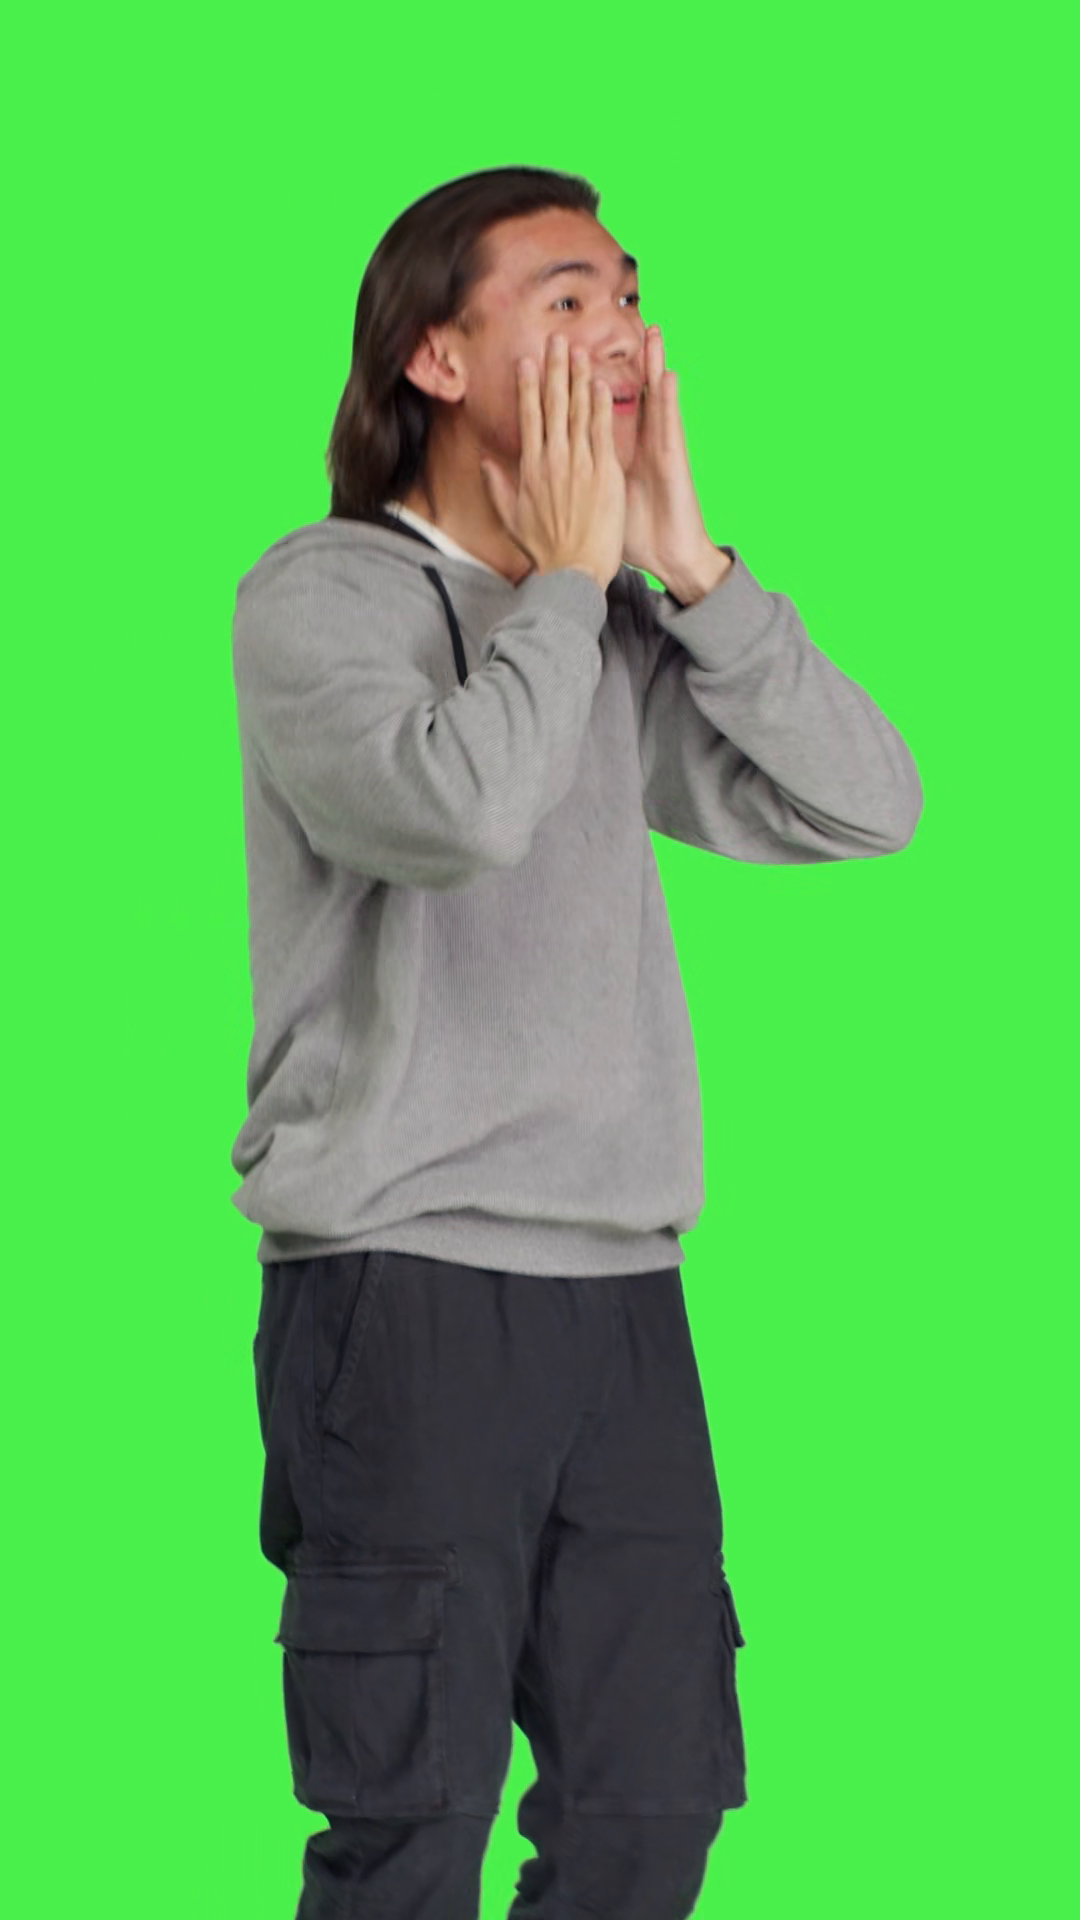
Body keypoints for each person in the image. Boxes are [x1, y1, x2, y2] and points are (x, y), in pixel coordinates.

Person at [232, 166, 923, 1919]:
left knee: (652, 1811)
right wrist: (565, 578)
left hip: (624, 1296)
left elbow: (867, 805)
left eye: (627, 292)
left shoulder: (615, 622)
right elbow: (457, 810)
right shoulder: (322, 597)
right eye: (564, 299)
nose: (619, 329)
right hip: (402, 1291)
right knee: (411, 1829)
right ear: (437, 356)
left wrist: (691, 571)